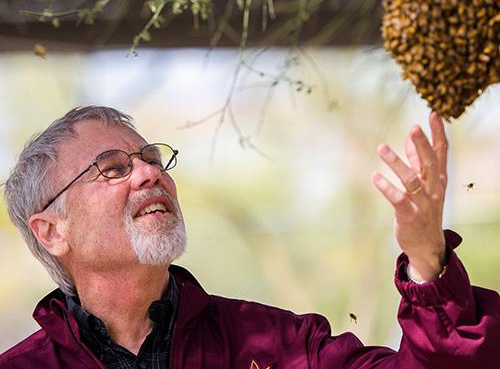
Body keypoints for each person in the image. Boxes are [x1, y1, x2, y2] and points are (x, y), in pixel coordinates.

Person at [0, 105, 498, 368]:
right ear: (51, 231)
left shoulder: (283, 347)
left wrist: (427, 260)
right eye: (111, 169)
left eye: (151, 159)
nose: (148, 174)